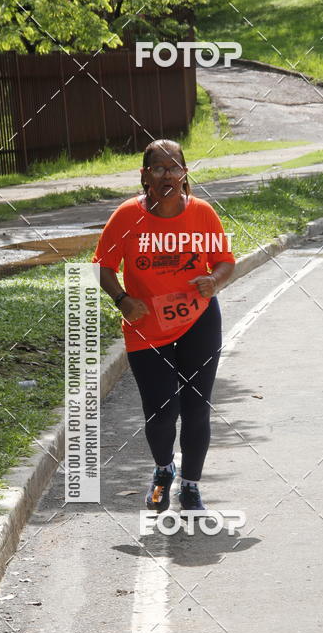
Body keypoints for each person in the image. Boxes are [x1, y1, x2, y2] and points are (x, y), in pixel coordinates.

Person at [93, 139, 235, 512]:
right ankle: (162, 470)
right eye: (159, 168)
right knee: (160, 412)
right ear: (145, 176)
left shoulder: (203, 213)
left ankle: (191, 486)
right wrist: (122, 300)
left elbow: (224, 260)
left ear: (185, 173)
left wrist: (215, 281)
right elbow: (102, 267)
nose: (167, 175)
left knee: (196, 407)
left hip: (199, 321)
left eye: (175, 168)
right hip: (146, 326)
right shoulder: (126, 217)